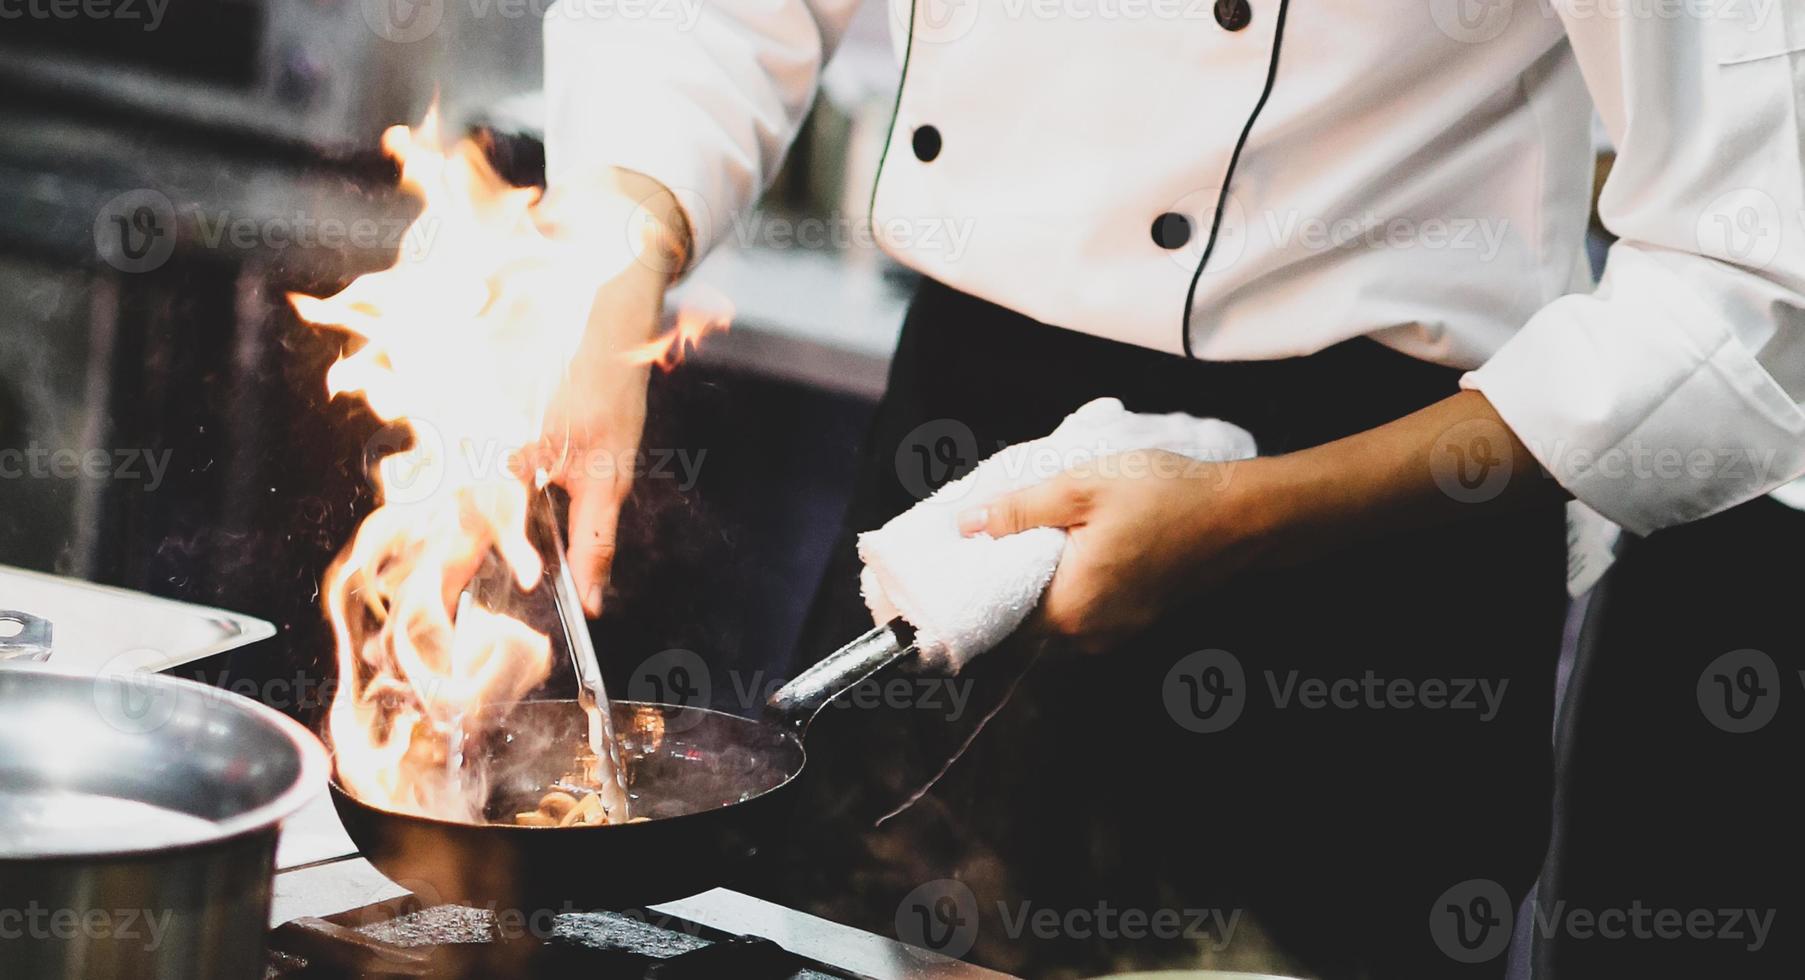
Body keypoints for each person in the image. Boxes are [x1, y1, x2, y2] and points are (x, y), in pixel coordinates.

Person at [530, 1, 1805, 975]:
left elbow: (1751, 277)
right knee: (832, 935)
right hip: (967, 451)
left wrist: (1253, 512)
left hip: (1372, 517)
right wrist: (618, 248)